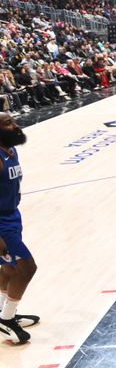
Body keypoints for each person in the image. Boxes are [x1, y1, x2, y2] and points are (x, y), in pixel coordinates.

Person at [0, 113, 38, 344]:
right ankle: (6, 319)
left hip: (12, 216)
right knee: (27, 267)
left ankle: (5, 312)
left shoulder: (11, 150)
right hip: (1, 223)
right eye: (8, 123)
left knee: (8, 268)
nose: (15, 126)